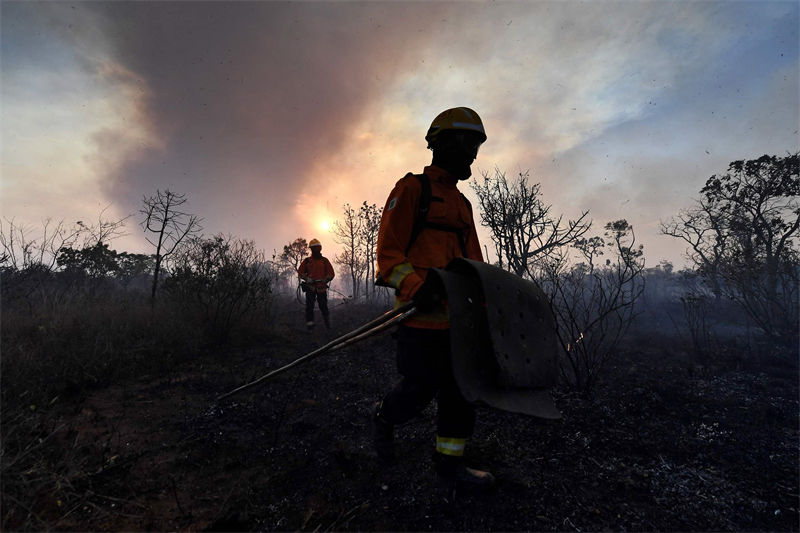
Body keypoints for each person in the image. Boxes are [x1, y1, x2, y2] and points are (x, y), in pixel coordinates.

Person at [372, 107, 494, 490]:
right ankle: (384, 420)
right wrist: (415, 288)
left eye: (476, 144)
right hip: (418, 319)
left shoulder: (462, 204)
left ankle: (449, 464)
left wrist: (484, 306)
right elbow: (389, 255)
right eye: (466, 142)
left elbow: (473, 262)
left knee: (460, 393)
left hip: (458, 322)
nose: (472, 152)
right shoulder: (411, 190)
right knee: (418, 390)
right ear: (440, 143)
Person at [297, 239, 335, 329]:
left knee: (323, 307)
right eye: (314, 248)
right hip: (310, 288)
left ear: (320, 248)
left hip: (321, 288)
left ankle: (327, 325)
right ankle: (310, 327)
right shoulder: (307, 261)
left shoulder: (325, 261)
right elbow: (300, 272)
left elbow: (331, 273)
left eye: (317, 248)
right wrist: (307, 278)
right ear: (311, 249)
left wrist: (326, 279)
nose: (316, 250)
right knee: (309, 307)